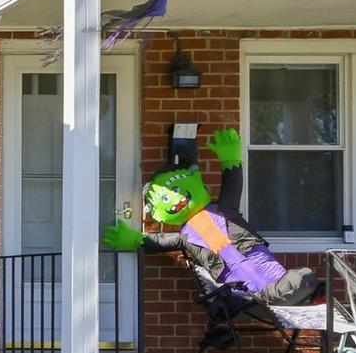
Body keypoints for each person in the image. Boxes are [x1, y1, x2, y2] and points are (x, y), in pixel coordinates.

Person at [104, 127, 321, 338]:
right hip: (244, 299)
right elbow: (160, 241)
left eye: (177, 191)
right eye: (166, 198)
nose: (176, 200)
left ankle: (273, 296)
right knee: (305, 279)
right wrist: (133, 240)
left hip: (275, 285)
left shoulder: (224, 210)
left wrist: (230, 160)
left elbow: (232, 185)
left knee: (303, 277)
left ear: (197, 183)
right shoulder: (186, 236)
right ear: (158, 212)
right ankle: (269, 297)